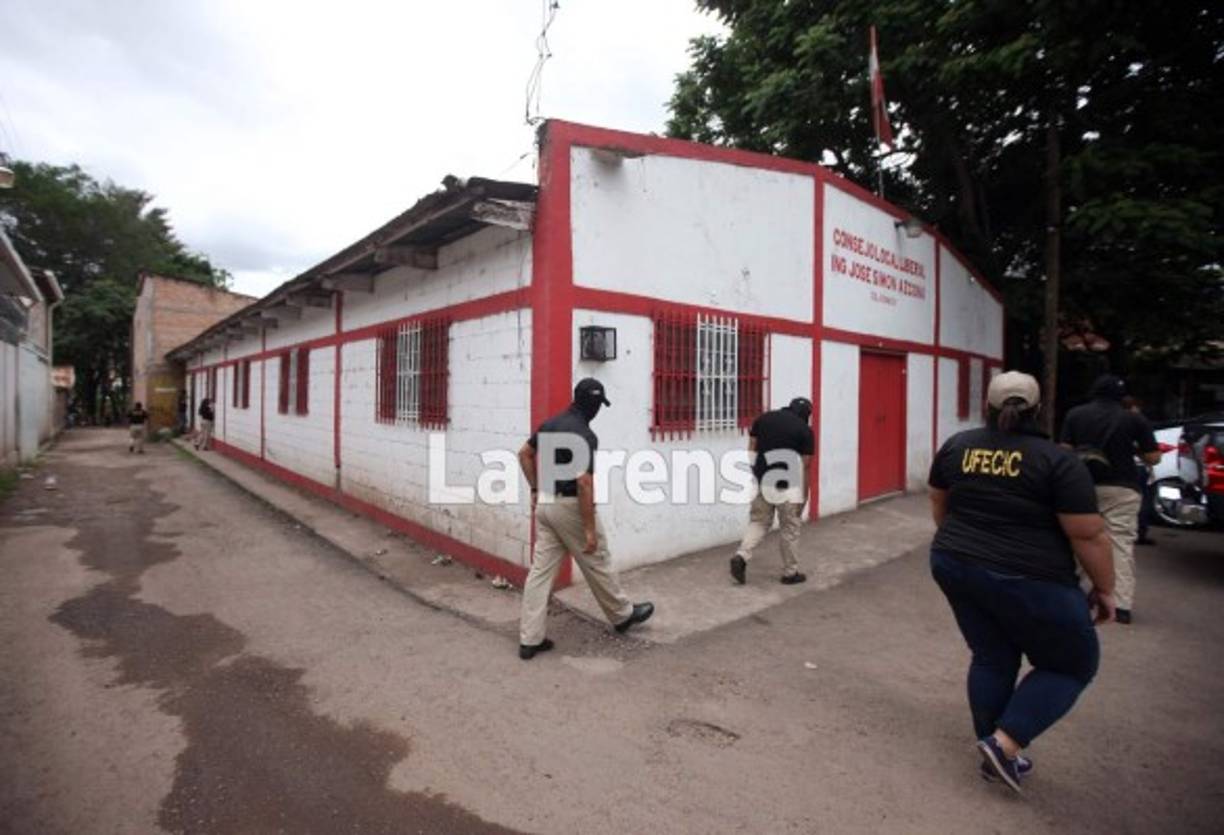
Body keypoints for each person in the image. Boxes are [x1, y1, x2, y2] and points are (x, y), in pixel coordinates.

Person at [929, 371, 1115, 793]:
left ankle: (995, 746)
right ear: (1038, 409)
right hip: (1033, 577)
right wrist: (1105, 588)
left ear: (988, 408)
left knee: (992, 656)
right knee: (1072, 663)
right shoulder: (1056, 461)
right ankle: (1004, 742)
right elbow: (1087, 534)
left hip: (955, 563)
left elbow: (940, 502)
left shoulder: (958, 446)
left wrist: (957, 541)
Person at [516, 378, 654, 660]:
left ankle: (530, 639)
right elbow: (584, 485)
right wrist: (589, 530)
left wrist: (534, 488)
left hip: (546, 504)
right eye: (598, 405)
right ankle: (622, 615)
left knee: (540, 573)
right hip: (569, 508)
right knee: (598, 559)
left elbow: (524, 454)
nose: (598, 410)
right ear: (594, 405)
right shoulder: (585, 435)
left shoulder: (550, 424)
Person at [1059, 375, 1160, 624]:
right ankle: (1122, 605)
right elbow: (1154, 458)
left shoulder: (1075, 415)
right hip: (1122, 487)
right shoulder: (1135, 419)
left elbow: (1064, 452)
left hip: (1082, 486)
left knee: (1080, 539)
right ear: (1122, 396)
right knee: (1121, 543)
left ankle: (1076, 594)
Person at [729, 397, 815, 585]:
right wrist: (804, 497)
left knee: (759, 522)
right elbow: (805, 467)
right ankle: (790, 573)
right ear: (806, 415)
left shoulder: (764, 419)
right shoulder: (805, 431)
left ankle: (741, 555)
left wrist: (755, 470)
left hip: (763, 481)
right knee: (790, 529)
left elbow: (752, 445)